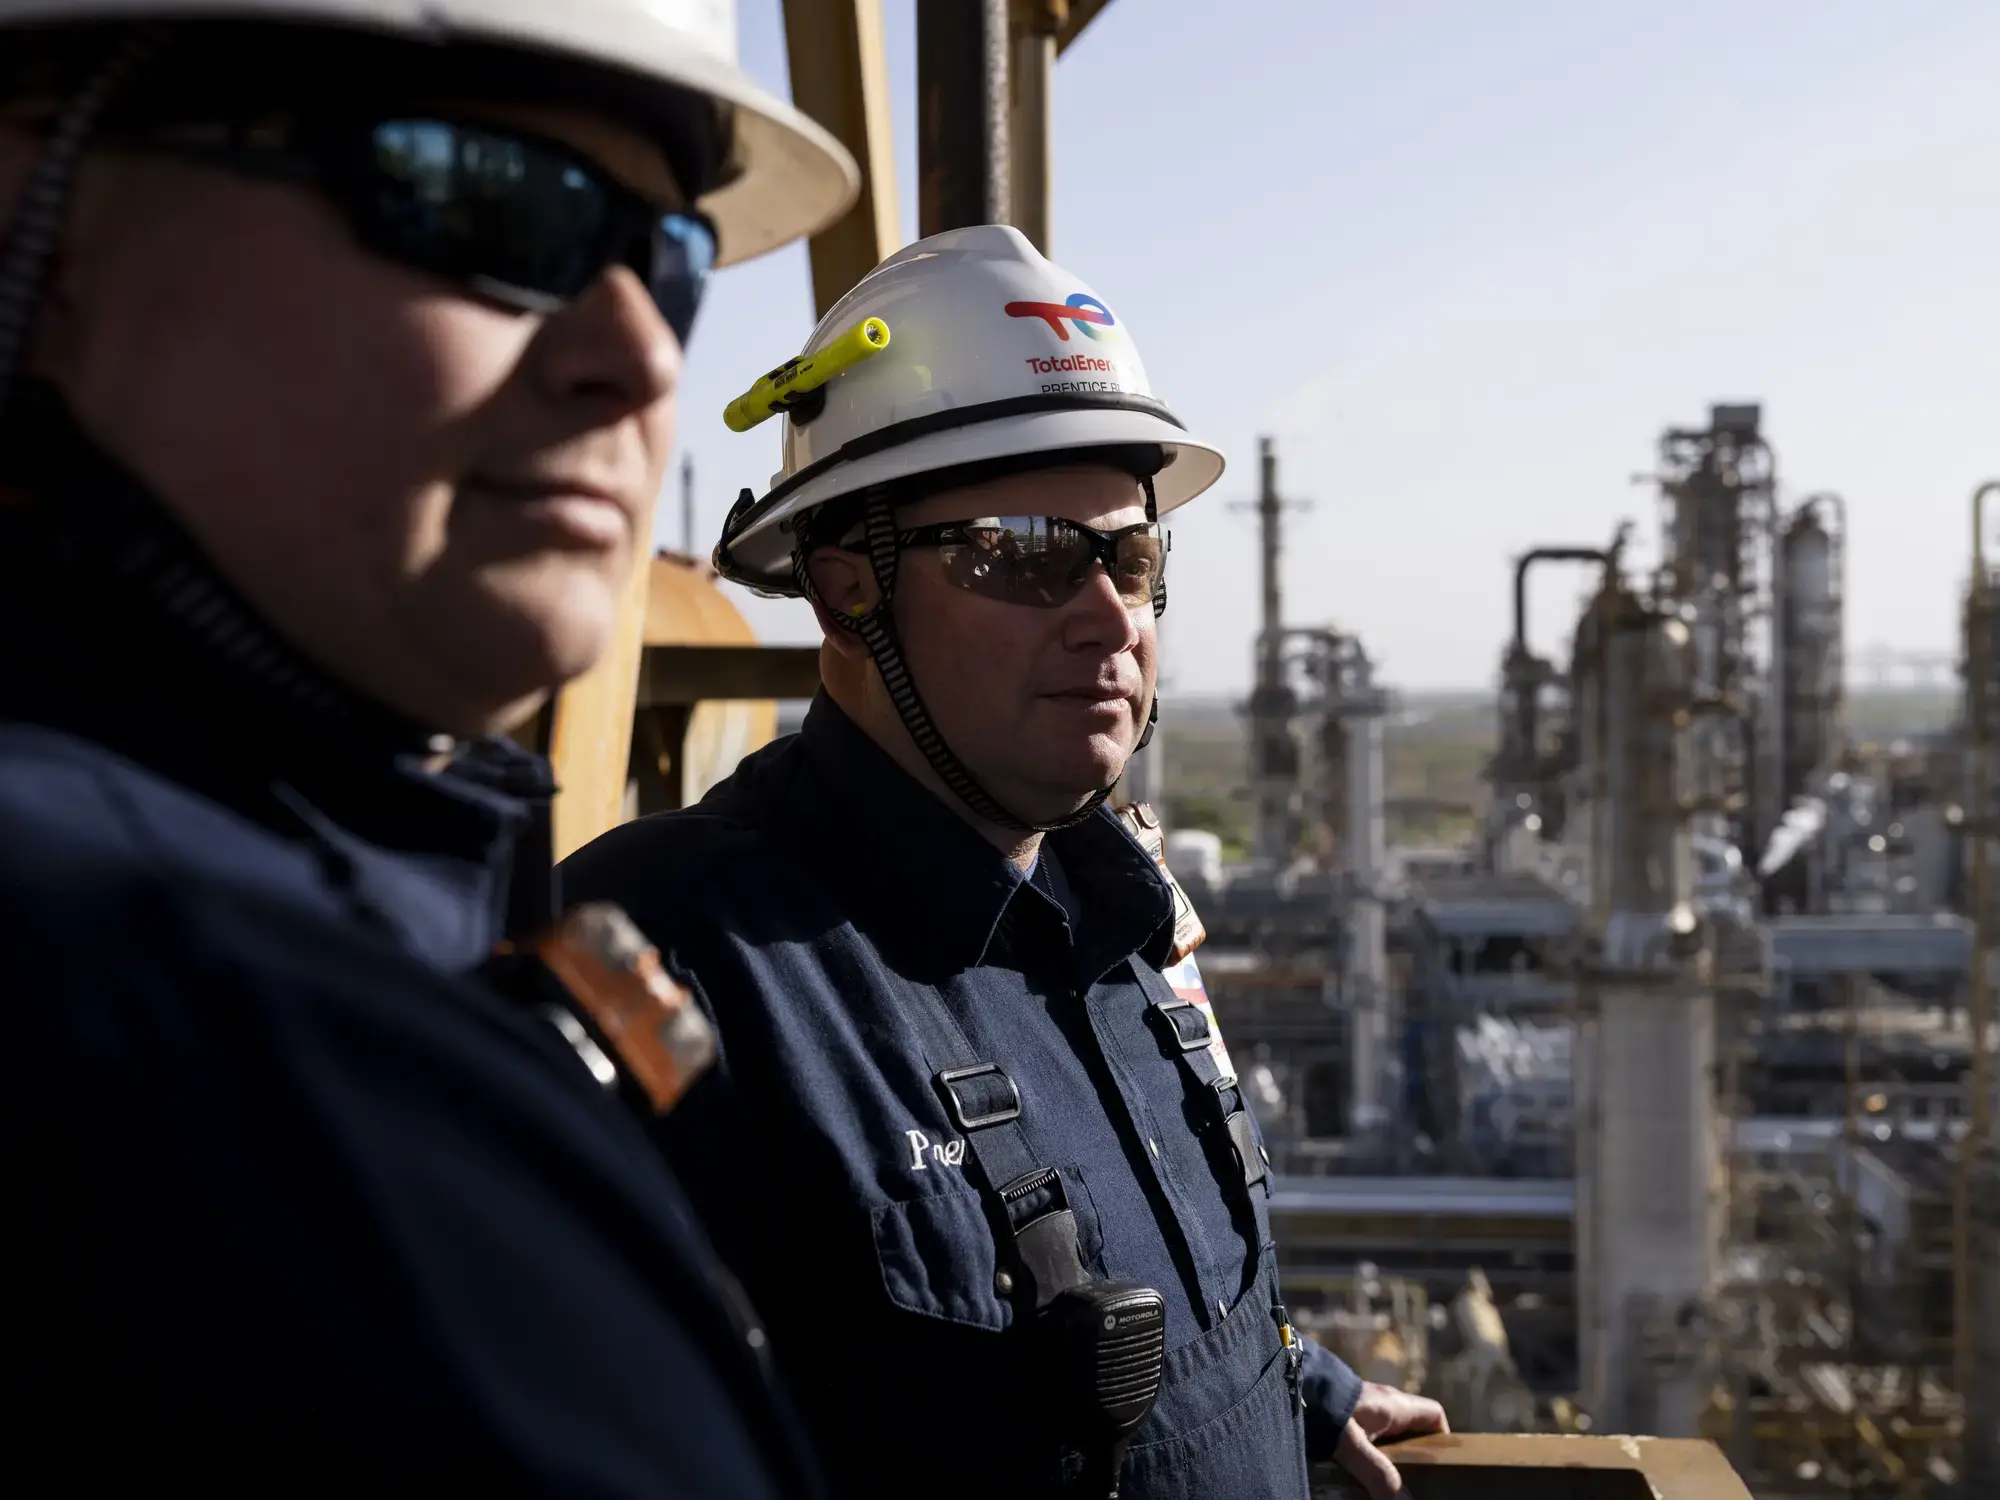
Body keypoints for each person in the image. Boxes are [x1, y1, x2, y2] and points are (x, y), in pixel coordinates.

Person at [0, 2, 859, 1491]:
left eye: (673, 265)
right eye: (489, 199)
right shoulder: (205, 1048)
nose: (643, 361)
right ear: (39, 214)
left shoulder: (380, 926)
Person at [561, 224, 1448, 1499]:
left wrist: (1285, 1385)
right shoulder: (671, 962)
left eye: (1129, 557)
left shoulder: (1118, 913)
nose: (1108, 616)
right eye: (1024, 548)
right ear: (843, 591)